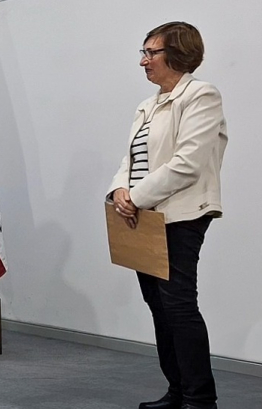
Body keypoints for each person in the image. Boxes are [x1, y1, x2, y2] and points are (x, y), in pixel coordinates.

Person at [107, 22, 227, 409]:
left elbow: (187, 163)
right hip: (144, 217)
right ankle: (177, 392)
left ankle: (199, 399)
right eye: (142, 53)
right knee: (158, 307)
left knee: (178, 306)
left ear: (177, 54)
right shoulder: (148, 105)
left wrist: (135, 197)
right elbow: (130, 158)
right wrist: (119, 191)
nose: (143, 61)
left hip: (181, 215)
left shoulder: (201, 96)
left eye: (151, 53)